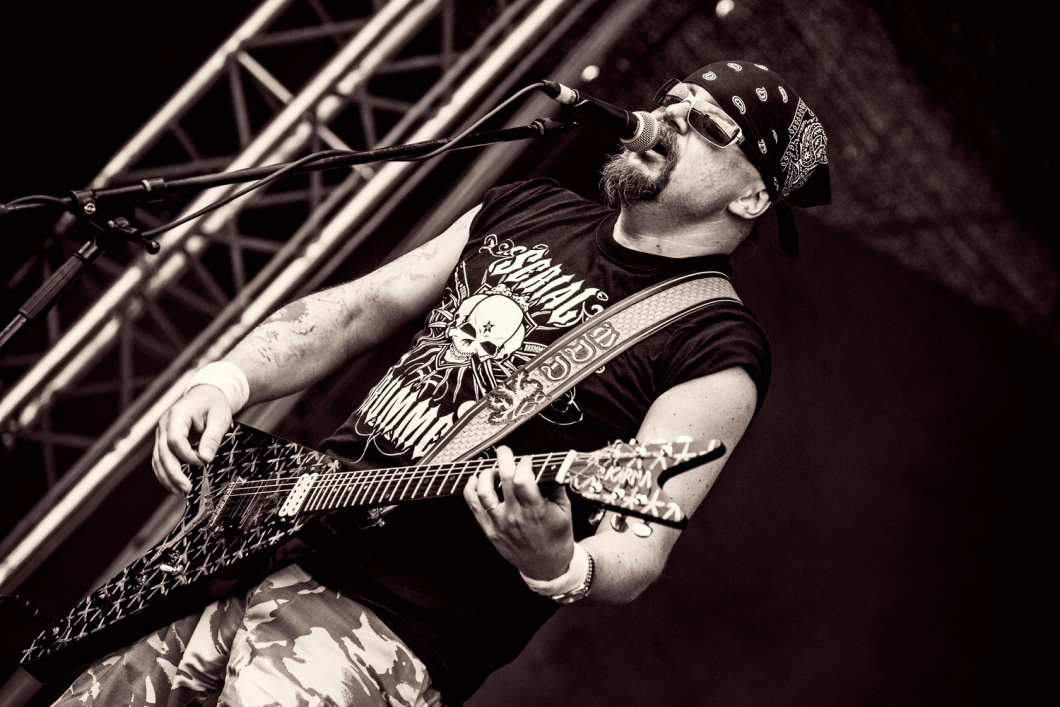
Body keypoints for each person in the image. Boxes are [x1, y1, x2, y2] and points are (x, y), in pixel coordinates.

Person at [52, 60, 829, 706]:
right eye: (673, 100)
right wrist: (226, 380)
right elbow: (358, 309)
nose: (667, 118)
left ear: (752, 195)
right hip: (259, 543)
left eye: (708, 125)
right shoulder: (528, 207)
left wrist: (562, 563)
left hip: (380, 637)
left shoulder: (715, 342)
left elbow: (641, 545)